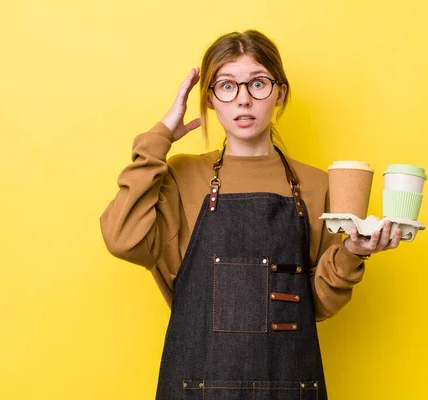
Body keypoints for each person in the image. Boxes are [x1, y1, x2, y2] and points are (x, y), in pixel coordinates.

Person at [100, 30, 402, 400]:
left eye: (257, 83)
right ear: (210, 99)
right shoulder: (181, 176)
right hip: (195, 387)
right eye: (226, 86)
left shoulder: (317, 184)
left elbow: (317, 306)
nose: (243, 100)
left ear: (280, 93)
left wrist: (354, 252)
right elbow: (122, 238)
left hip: (290, 387)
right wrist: (159, 138)